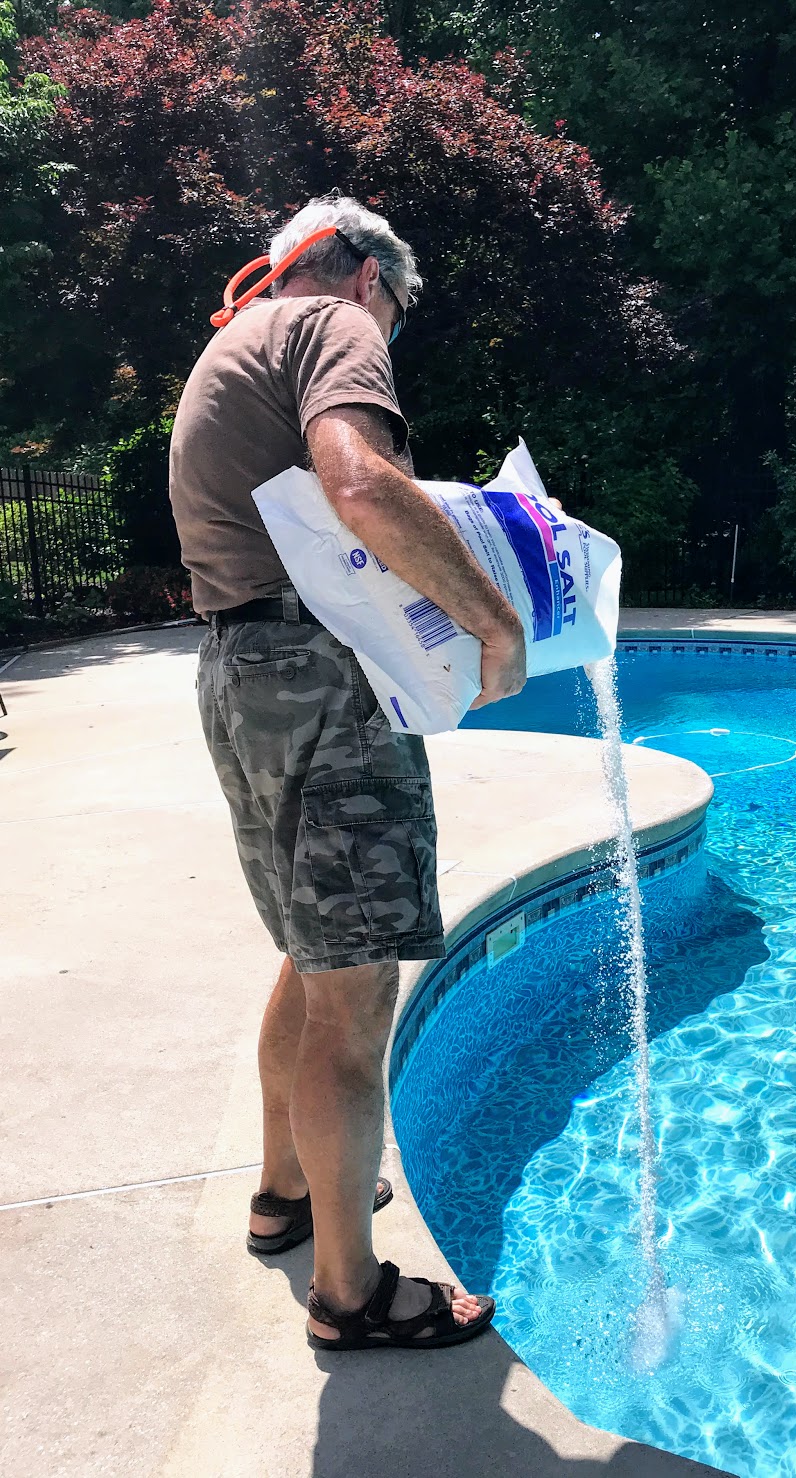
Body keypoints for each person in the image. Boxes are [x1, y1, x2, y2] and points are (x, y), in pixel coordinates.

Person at [169, 194, 526, 1351]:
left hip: (242, 668)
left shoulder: (235, 344)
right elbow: (359, 480)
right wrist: (493, 619)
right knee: (357, 994)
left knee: (313, 957)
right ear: (364, 269)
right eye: (403, 306)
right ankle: (349, 1291)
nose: (396, 327)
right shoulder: (333, 321)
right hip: (320, 685)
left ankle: (283, 1191)